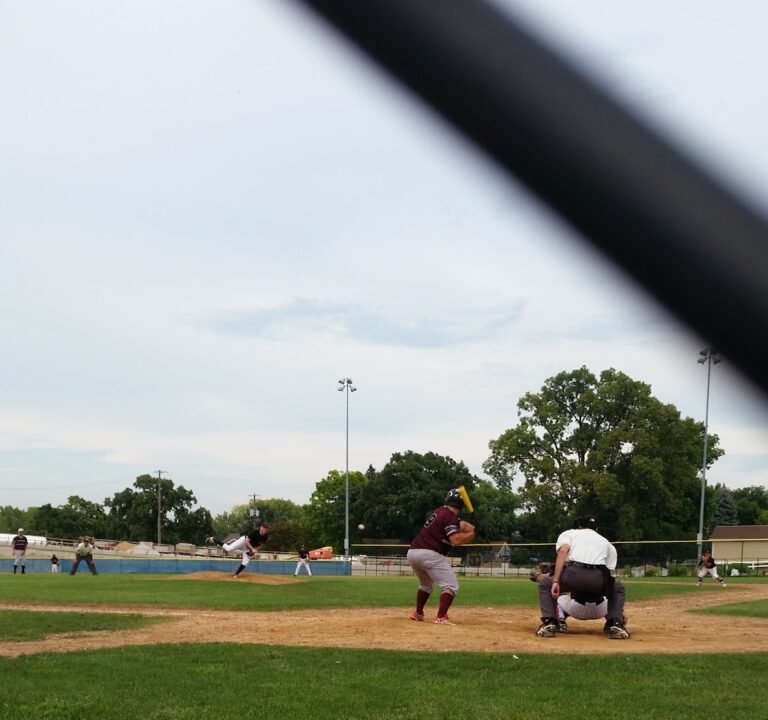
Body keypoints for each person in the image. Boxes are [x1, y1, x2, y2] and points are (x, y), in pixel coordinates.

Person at [535, 517, 629, 639]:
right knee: (618, 587)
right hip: (598, 577)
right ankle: (615, 624)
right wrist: (619, 611)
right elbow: (610, 576)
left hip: (573, 574)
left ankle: (549, 623)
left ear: (578, 527)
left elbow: (563, 551)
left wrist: (556, 580)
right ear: (596, 529)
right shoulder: (606, 542)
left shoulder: (570, 533)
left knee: (546, 583)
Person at [406, 488, 475, 624]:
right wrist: (473, 535)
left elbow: (461, 524)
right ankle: (441, 617)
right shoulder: (450, 517)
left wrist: (473, 528)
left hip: (413, 553)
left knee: (425, 584)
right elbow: (455, 540)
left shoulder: (440, 512)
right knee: (451, 585)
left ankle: (418, 613)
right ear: (461, 505)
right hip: (429, 554)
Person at [530, 561, 612, 632]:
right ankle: (613, 622)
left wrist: (546, 577)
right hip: (602, 610)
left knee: (557, 596)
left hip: (577, 610)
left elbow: (544, 579)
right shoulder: (602, 570)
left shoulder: (570, 569)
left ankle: (559, 622)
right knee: (610, 598)